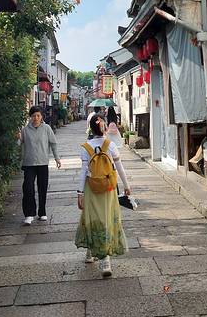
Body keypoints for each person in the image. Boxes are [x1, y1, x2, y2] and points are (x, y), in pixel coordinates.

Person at [75, 114, 131, 277]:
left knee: (92, 218)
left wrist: (80, 193)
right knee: (106, 220)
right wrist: (127, 186)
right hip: (108, 189)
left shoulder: (86, 147)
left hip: (91, 188)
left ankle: (90, 251)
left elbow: (83, 172)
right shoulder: (110, 145)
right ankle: (105, 260)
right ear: (105, 128)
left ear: (90, 129)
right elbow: (119, 167)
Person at [17, 106, 62, 225]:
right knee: (28, 188)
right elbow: (19, 144)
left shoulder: (46, 128)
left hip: (43, 163)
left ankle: (42, 212)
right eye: (33, 116)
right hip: (29, 163)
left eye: (38, 115)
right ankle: (29, 214)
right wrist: (18, 139)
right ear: (30, 117)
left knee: (42, 188)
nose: (36, 118)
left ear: (42, 116)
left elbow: (53, 143)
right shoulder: (25, 130)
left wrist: (57, 158)